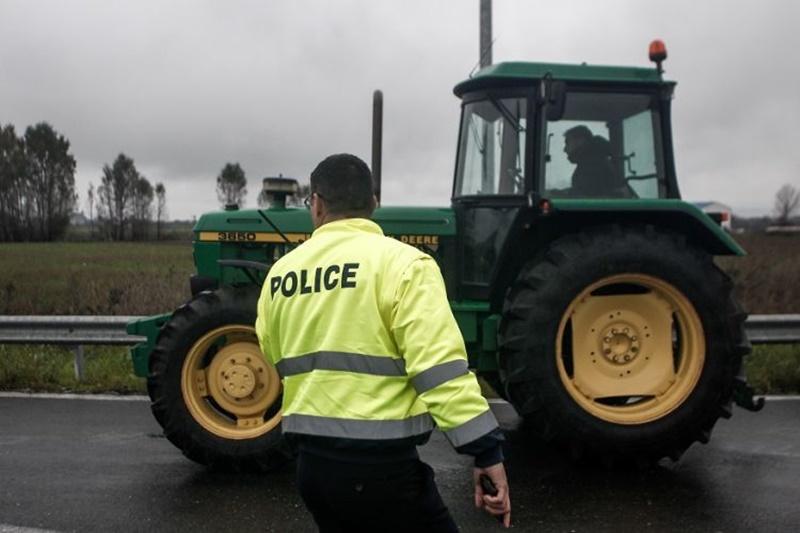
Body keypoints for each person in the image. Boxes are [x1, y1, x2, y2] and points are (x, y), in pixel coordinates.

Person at [255, 153, 511, 531]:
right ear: (373, 204)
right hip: (383, 473)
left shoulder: (282, 273)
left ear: (318, 203)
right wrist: (485, 450)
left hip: (312, 471)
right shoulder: (405, 266)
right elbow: (439, 371)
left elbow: (272, 351)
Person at [562, 125, 629, 197]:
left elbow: (585, 194)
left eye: (567, 142)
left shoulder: (593, 163)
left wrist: (559, 194)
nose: (565, 149)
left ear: (580, 140)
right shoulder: (592, 161)